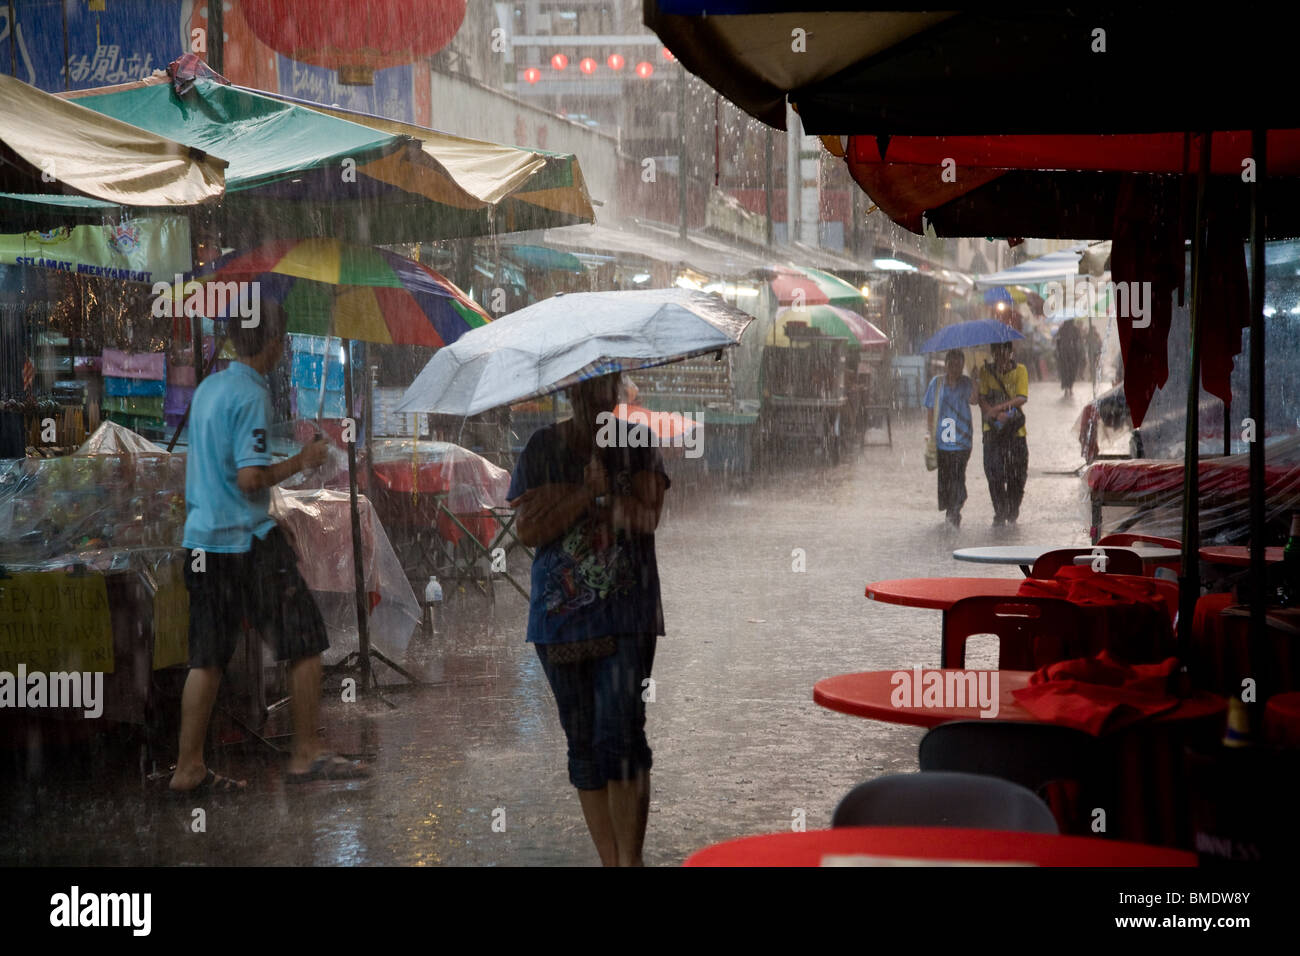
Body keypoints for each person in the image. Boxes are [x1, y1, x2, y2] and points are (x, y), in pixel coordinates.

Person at [170, 302, 368, 794]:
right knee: (304, 641)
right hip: (246, 545)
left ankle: (187, 767)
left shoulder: (211, 387)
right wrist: (302, 461)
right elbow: (250, 477)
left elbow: (219, 467)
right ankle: (305, 753)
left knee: (207, 659)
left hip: (201, 544)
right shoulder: (253, 394)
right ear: (277, 345)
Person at [508, 373, 669, 866]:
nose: (594, 401)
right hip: (559, 620)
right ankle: (611, 861)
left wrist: (604, 500)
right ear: (568, 393)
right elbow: (529, 530)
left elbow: (648, 518)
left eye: (604, 390)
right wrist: (584, 493)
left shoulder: (636, 443)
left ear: (616, 391)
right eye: (584, 391)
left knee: (621, 735)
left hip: (626, 614)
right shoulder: (541, 448)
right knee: (583, 745)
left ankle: (630, 861)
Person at [923, 349, 977, 528]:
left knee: (958, 475)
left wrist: (976, 379)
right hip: (943, 441)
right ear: (946, 364)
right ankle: (951, 509)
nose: (955, 367)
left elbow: (974, 400)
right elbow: (930, 409)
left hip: (962, 441)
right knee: (946, 478)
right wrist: (930, 433)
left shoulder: (966, 383)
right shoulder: (936, 383)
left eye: (959, 364)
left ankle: (955, 509)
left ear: (962, 365)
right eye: (952, 364)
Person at [978, 341, 1030, 528]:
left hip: (1015, 432)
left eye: (1004, 351)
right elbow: (981, 398)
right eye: (996, 352)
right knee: (994, 473)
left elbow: (1022, 397)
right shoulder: (985, 371)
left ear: (1010, 352)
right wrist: (991, 412)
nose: (1000, 355)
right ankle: (999, 512)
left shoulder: (1021, 370)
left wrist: (999, 409)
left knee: (1017, 474)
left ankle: (1013, 510)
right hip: (991, 431)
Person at [1055, 320, 1084, 397]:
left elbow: (1057, 341)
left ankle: (1067, 388)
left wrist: (1059, 350)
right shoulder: (1074, 329)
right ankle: (1069, 388)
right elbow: (1079, 340)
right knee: (1070, 371)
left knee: (1066, 371)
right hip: (1070, 353)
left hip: (1065, 353)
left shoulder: (1062, 329)